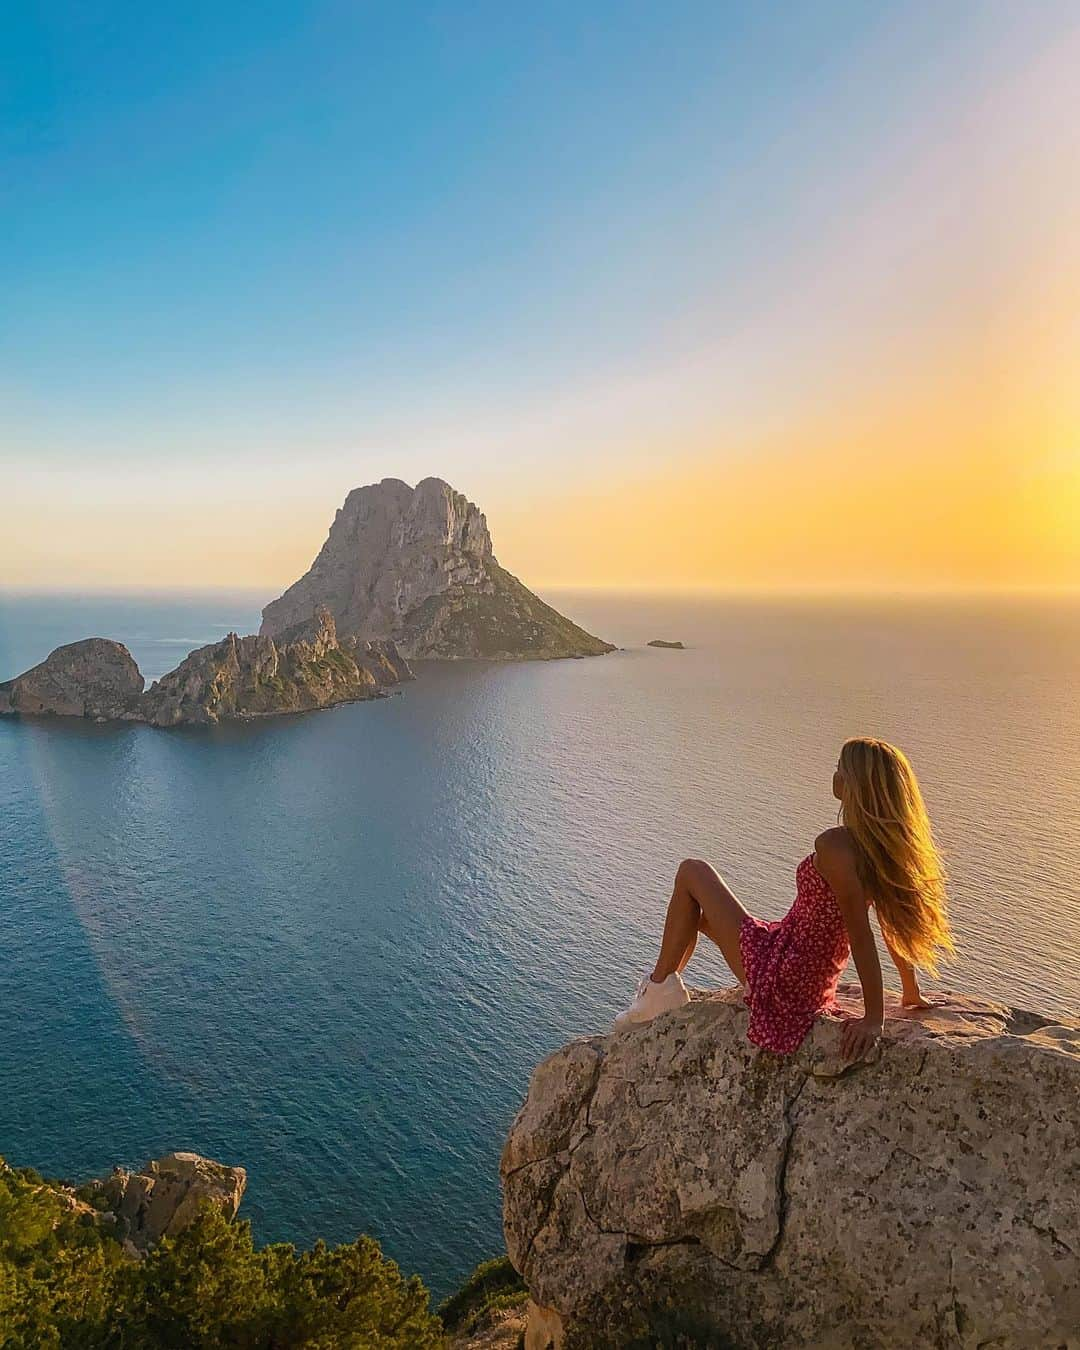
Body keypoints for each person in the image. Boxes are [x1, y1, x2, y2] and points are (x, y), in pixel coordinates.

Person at [615, 737, 954, 1059]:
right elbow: (890, 924)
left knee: (692, 872)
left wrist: (873, 1019)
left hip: (785, 978)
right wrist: (910, 991)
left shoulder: (835, 847)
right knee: (696, 916)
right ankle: (662, 991)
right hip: (799, 963)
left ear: (852, 785)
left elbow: (862, 936)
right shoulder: (880, 849)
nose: (834, 774)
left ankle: (657, 991)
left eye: (840, 768)